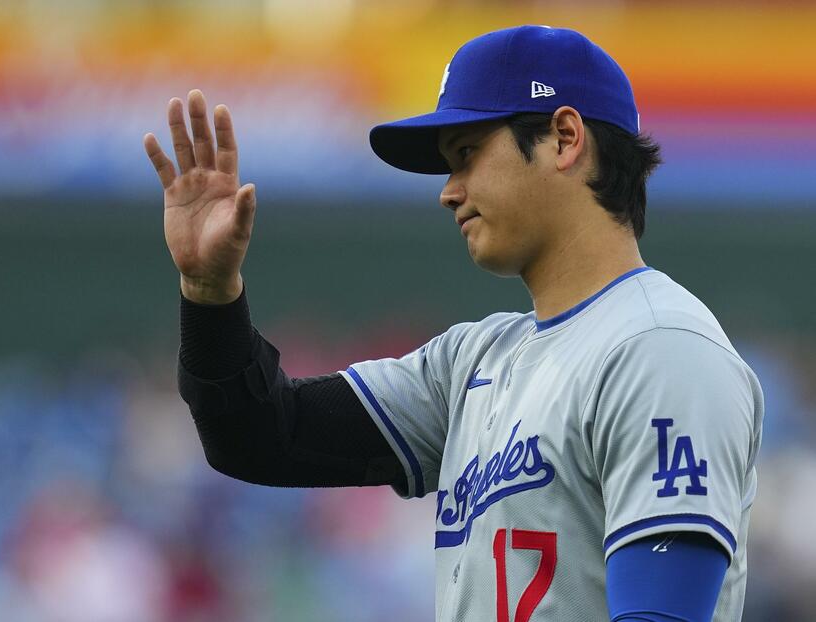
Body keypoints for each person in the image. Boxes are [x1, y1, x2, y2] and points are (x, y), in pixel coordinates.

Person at [143, 25, 763, 622]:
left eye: (466, 153)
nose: (448, 190)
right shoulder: (474, 362)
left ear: (565, 138)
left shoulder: (658, 348)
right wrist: (209, 292)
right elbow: (260, 435)